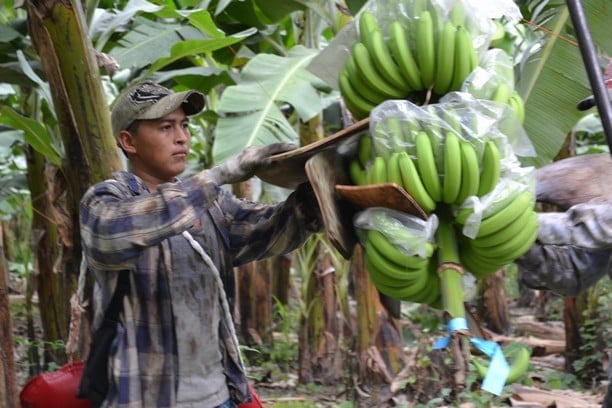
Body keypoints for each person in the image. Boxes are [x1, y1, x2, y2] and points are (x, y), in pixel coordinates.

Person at [79, 81, 322, 407]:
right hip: (144, 397)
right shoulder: (106, 201)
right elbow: (118, 233)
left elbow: (269, 231)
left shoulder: (213, 204)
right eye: (166, 127)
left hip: (218, 396)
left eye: (184, 125)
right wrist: (220, 174)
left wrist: (314, 199)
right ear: (128, 141)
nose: (181, 137)